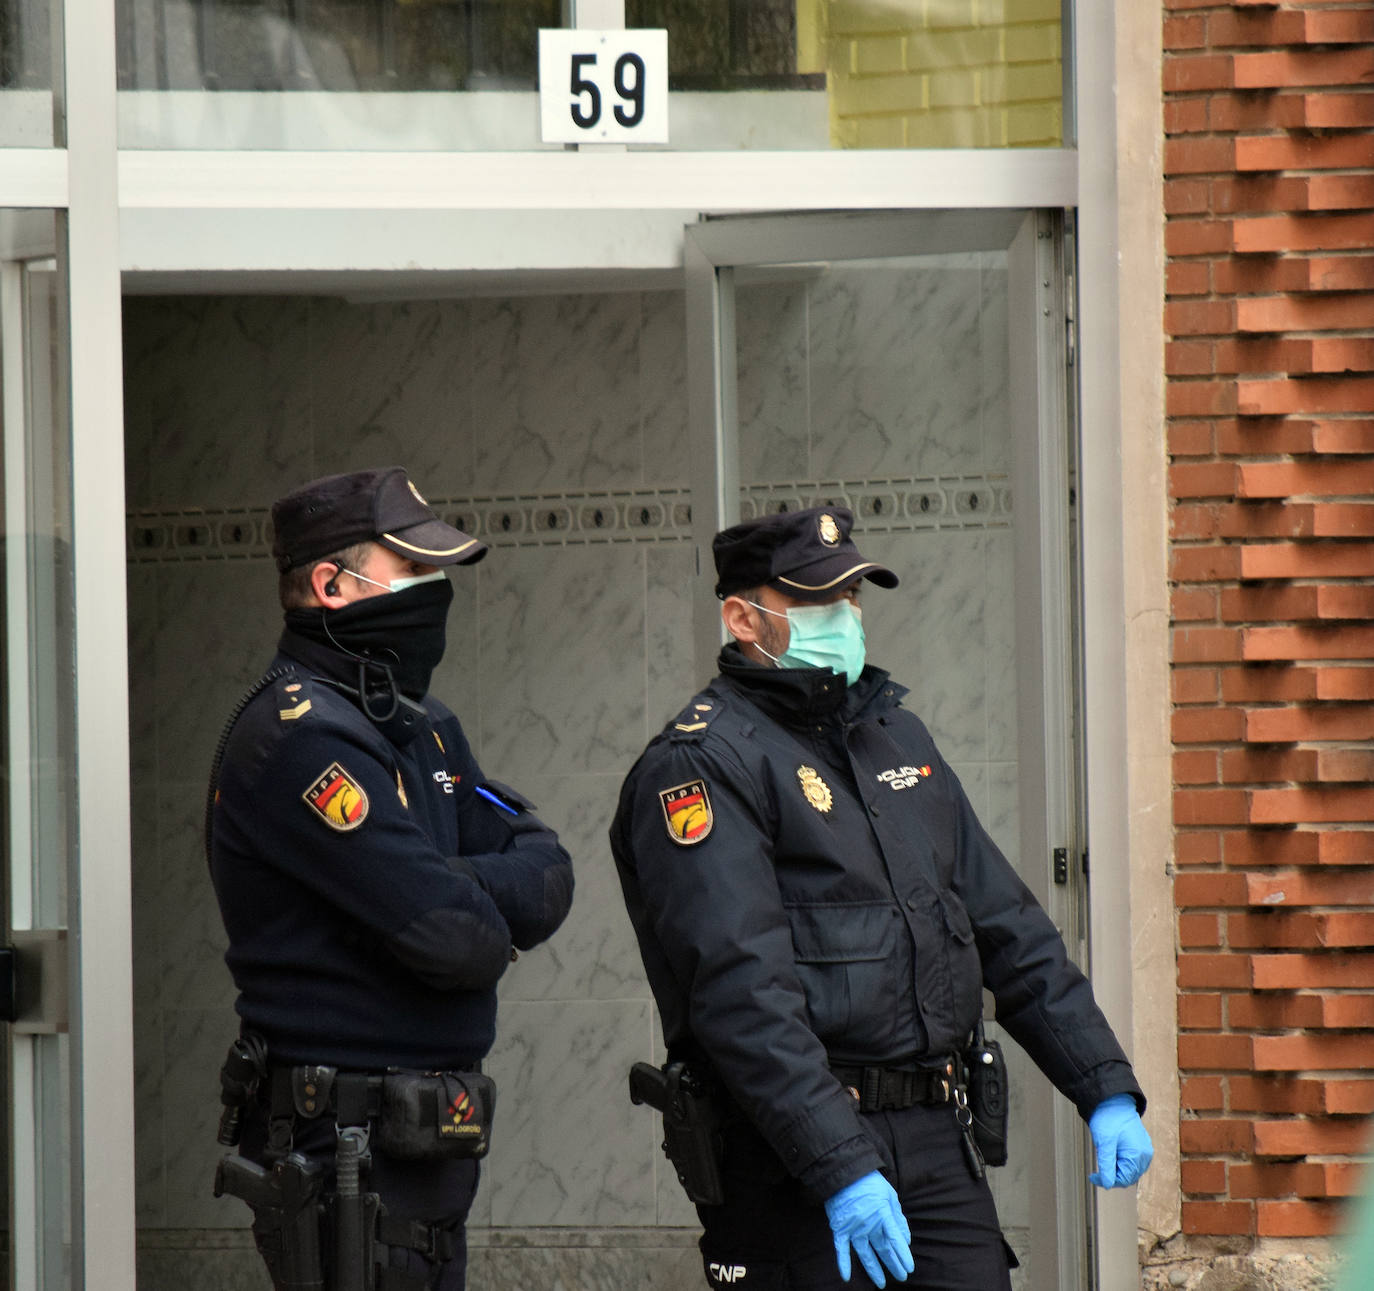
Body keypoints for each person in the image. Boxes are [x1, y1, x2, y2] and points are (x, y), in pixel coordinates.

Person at [609, 505, 1153, 1290]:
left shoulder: (895, 736)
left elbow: (1006, 924)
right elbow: (740, 994)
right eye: (819, 602)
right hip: (793, 1153)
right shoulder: (702, 765)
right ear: (742, 617)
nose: (847, 617)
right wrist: (840, 1167)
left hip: (935, 1129)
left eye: (853, 598)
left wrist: (1101, 1081)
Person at [207, 466, 573, 1291]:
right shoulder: (297, 738)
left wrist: (445, 878)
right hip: (344, 1157)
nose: (434, 588)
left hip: (429, 1145)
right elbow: (456, 940)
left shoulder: (424, 728)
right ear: (333, 585)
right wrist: (469, 903)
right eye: (411, 568)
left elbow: (548, 865)